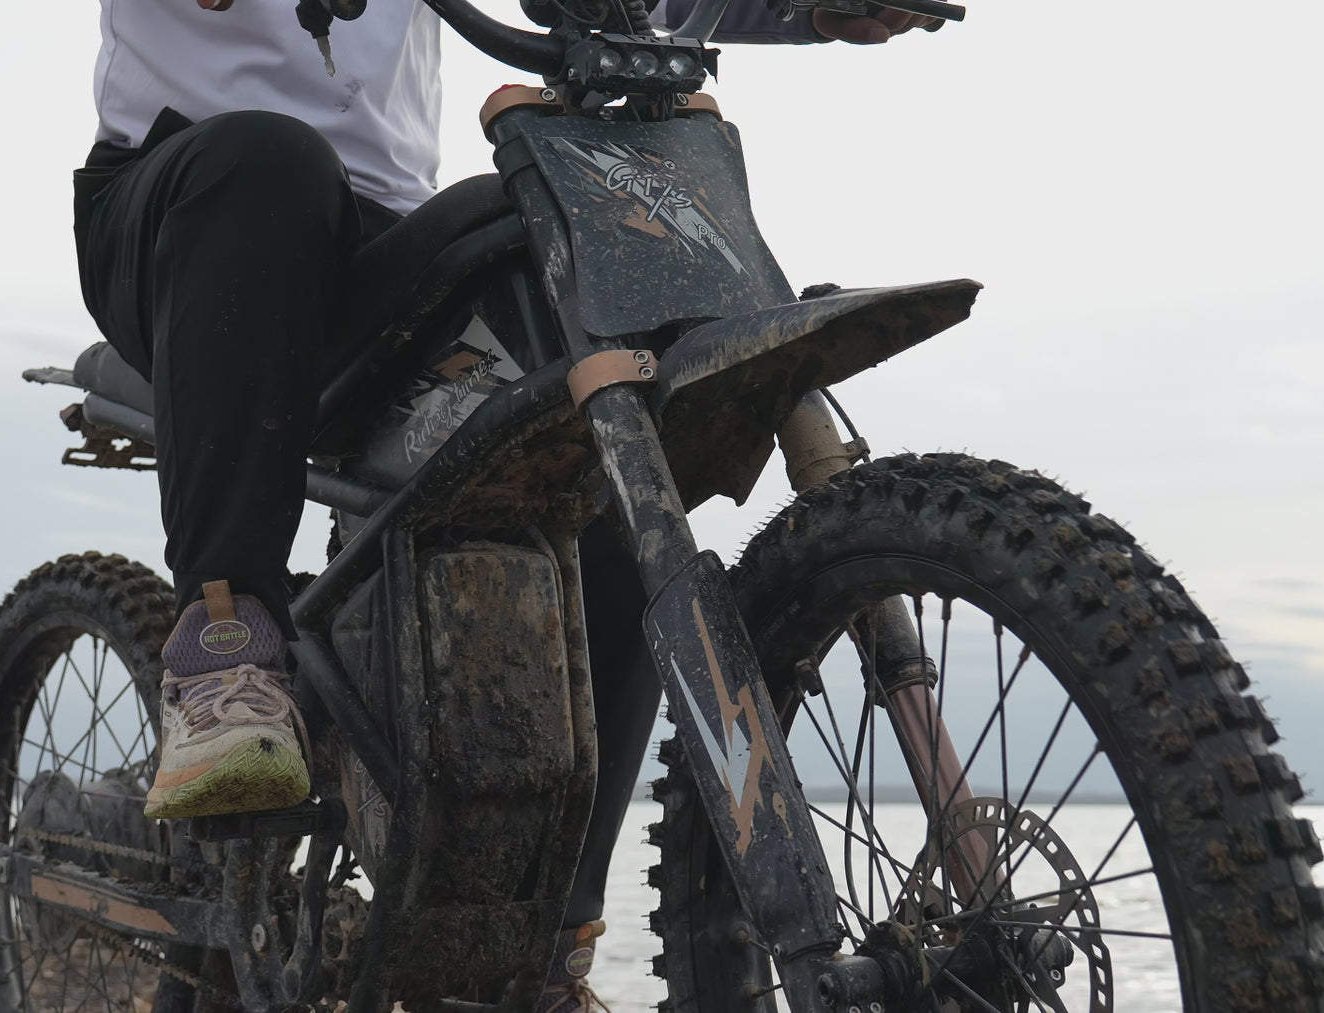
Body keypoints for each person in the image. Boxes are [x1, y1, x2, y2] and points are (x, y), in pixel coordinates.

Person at [69, 0, 932, 1008]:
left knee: (582, 365)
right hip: (187, 200)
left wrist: (803, 8)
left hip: (378, 236)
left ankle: (544, 947)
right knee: (272, 160)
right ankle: (225, 644)